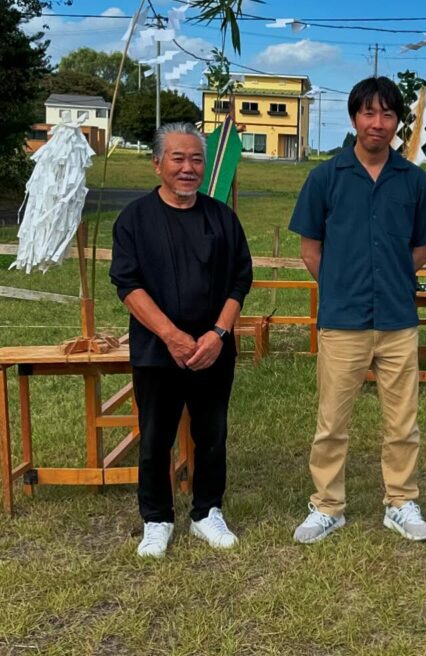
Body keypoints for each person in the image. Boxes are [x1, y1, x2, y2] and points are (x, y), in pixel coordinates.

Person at [289, 76, 426, 544]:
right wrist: (340, 286)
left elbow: (420, 249)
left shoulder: (414, 180)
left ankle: (400, 501)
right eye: (369, 113)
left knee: (403, 422)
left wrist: (388, 279)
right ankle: (327, 505)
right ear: (354, 117)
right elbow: (310, 249)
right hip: (343, 320)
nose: (378, 123)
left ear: (399, 121)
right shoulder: (325, 177)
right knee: (332, 421)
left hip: (397, 320)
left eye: (388, 114)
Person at [110, 122, 252, 559]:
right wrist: (172, 337)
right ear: (157, 164)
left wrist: (217, 334)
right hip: (157, 350)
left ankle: (207, 511)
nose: (188, 168)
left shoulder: (221, 216)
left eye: (196, 159)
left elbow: (239, 281)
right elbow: (128, 285)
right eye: (178, 158)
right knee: (155, 437)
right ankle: (157, 518)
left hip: (213, 349)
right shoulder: (135, 219)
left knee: (212, 434)